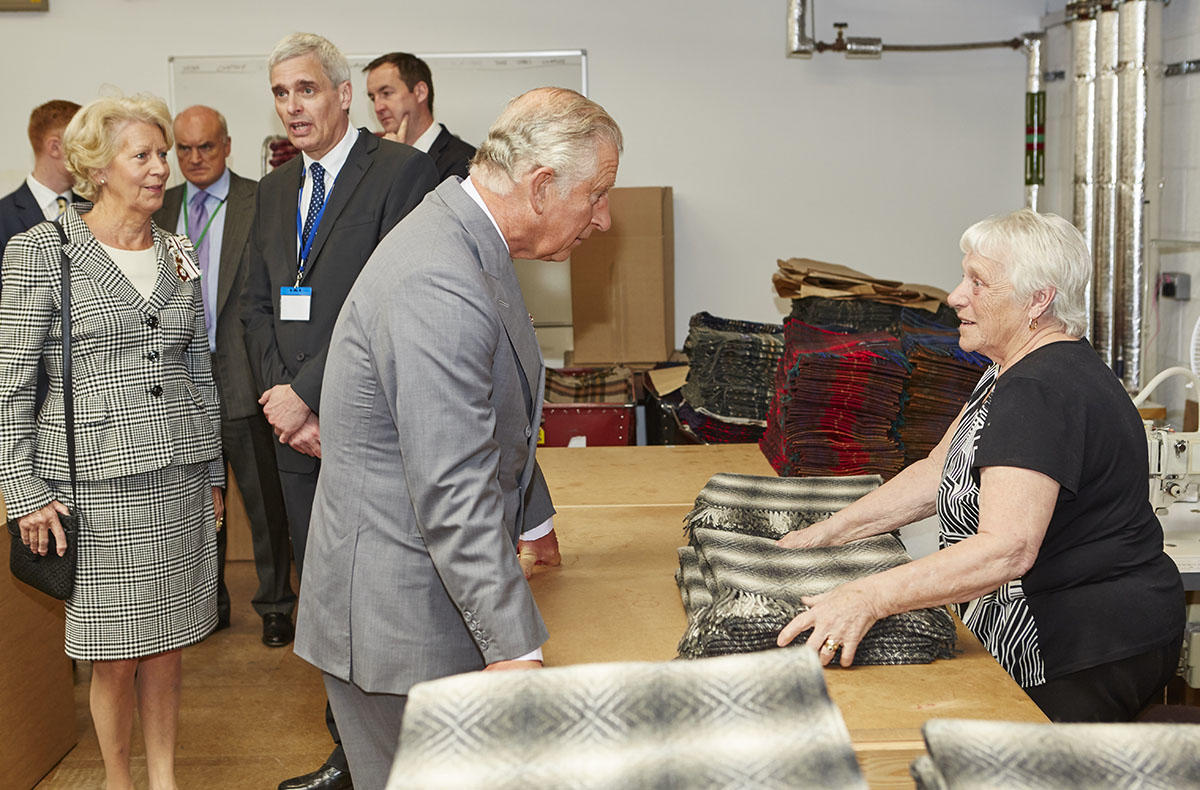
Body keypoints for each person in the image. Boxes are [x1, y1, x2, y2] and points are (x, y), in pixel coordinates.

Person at [294, 86, 617, 789]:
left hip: (421, 599)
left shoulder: (469, 238)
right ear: (538, 188)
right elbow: (452, 483)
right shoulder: (438, 278)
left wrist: (532, 515)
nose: (605, 217)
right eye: (596, 195)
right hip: (399, 623)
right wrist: (515, 649)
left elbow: (485, 407)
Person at [776, 208, 1186, 723]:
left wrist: (866, 597)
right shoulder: (1015, 369)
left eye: (978, 281)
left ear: (1038, 299)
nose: (954, 295)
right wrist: (826, 535)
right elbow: (938, 469)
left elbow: (1006, 549)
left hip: (1085, 650)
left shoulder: (1038, 389)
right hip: (1099, 633)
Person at [0, 94, 224, 790]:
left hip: (177, 478)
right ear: (97, 167)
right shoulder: (42, 250)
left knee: (168, 648)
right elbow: (9, 383)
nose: (163, 168)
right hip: (94, 491)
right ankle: (119, 782)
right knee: (114, 654)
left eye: (164, 155)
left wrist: (214, 469)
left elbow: (198, 367)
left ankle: (165, 780)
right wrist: (24, 491)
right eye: (146, 156)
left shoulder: (179, 252)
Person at [241, 32, 439, 790]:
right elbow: (255, 306)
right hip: (293, 434)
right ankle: (351, 756)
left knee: (387, 597)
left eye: (307, 90)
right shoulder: (275, 190)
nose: (294, 107)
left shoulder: (400, 173)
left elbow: (391, 301)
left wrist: (312, 394)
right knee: (325, 606)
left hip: (371, 426)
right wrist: (282, 403)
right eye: (282, 94)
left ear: (343, 92)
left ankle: (418, 750)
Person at [153, 105, 295, 647]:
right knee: (193, 504)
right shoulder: (159, 207)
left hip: (243, 373)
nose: (193, 159)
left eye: (205, 147)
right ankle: (206, 602)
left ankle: (276, 604)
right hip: (178, 382)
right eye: (182, 150)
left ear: (227, 145)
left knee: (264, 501)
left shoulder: (260, 200)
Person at [364, 52, 476, 181]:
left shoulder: (465, 162)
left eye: (386, 93)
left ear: (420, 92)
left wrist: (395, 163)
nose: (378, 107)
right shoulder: (374, 159)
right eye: (373, 98)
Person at [0, 99, 82, 274]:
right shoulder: (3, 216)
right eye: (83, 143)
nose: (91, 153)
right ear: (54, 147)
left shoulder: (93, 210)